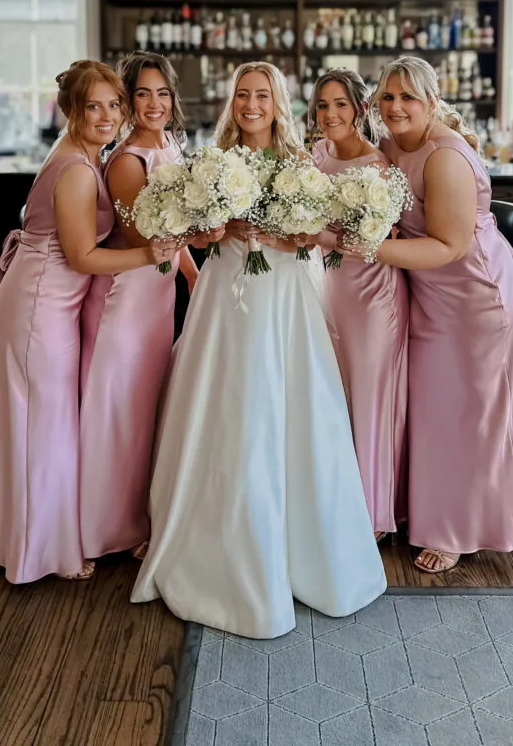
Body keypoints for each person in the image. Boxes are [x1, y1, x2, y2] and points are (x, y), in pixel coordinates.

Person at [130, 62, 387, 638]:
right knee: (230, 403)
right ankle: (219, 549)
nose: (251, 104)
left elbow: (313, 237)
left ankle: (307, 554)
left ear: (278, 103)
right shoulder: (208, 161)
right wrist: (208, 229)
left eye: (262, 95)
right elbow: (194, 235)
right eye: (243, 95)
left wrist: (292, 233)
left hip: (285, 294)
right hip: (228, 293)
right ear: (232, 102)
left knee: (294, 404)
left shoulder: (302, 164)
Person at [0, 60, 175, 584]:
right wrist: (149, 256)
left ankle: (41, 540)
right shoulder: (73, 169)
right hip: (41, 301)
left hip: (55, 300)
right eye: (93, 106)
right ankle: (35, 554)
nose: (107, 116)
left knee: (48, 424)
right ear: (70, 110)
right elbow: (83, 256)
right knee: (36, 426)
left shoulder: (86, 157)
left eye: (115, 104)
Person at [338, 55, 513, 574]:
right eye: (388, 97)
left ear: (432, 102)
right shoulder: (393, 147)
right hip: (427, 292)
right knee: (432, 408)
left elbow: (447, 245)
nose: (395, 107)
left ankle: (461, 528)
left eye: (408, 98)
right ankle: (421, 509)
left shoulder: (445, 158)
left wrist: (369, 247)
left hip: (472, 296)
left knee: (468, 412)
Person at [79, 52, 203, 563]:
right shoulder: (128, 160)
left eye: (162, 93)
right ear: (128, 101)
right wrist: (207, 224)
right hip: (127, 300)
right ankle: (102, 529)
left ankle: (137, 517)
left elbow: (176, 250)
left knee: (147, 409)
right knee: (119, 411)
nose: (154, 104)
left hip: (158, 296)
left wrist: (196, 279)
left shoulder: (170, 144)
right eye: (143, 94)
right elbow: (144, 236)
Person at [309, 69, 409, 541]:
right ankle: (341, 499)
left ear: (360, 110)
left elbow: (367, 242)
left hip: (372, 296)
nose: (330, 115)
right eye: (323, 105)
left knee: (370, 398)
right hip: (331, 290)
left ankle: (372, 517)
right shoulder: (318, 154)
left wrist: (317, 234)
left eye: (340, 105)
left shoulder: (378, 169)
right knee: (339, 397)